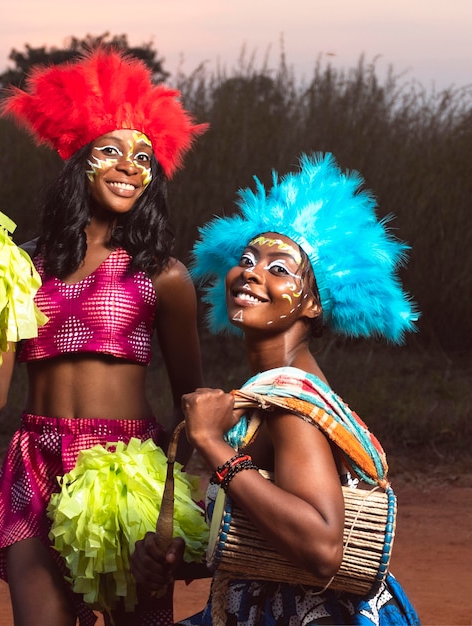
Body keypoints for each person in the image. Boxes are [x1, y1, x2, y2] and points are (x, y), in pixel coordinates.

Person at [0, 48, 207, 626]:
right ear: (79, 161)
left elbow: (192, 404)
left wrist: (170, 504)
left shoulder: (162, 276)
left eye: (144, 156)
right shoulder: (20, 269)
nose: (130, 166)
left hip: (125, 468)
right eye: (112, 150)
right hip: (34, 460)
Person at [131, 153, 421, 625]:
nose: (251, 271)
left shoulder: (291, 403)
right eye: (247, 260)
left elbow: (324, 547)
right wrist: (182, 559)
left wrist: (210, 444)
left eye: (279, 269)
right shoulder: (268, 390)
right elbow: (269, 529)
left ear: (312, 304)